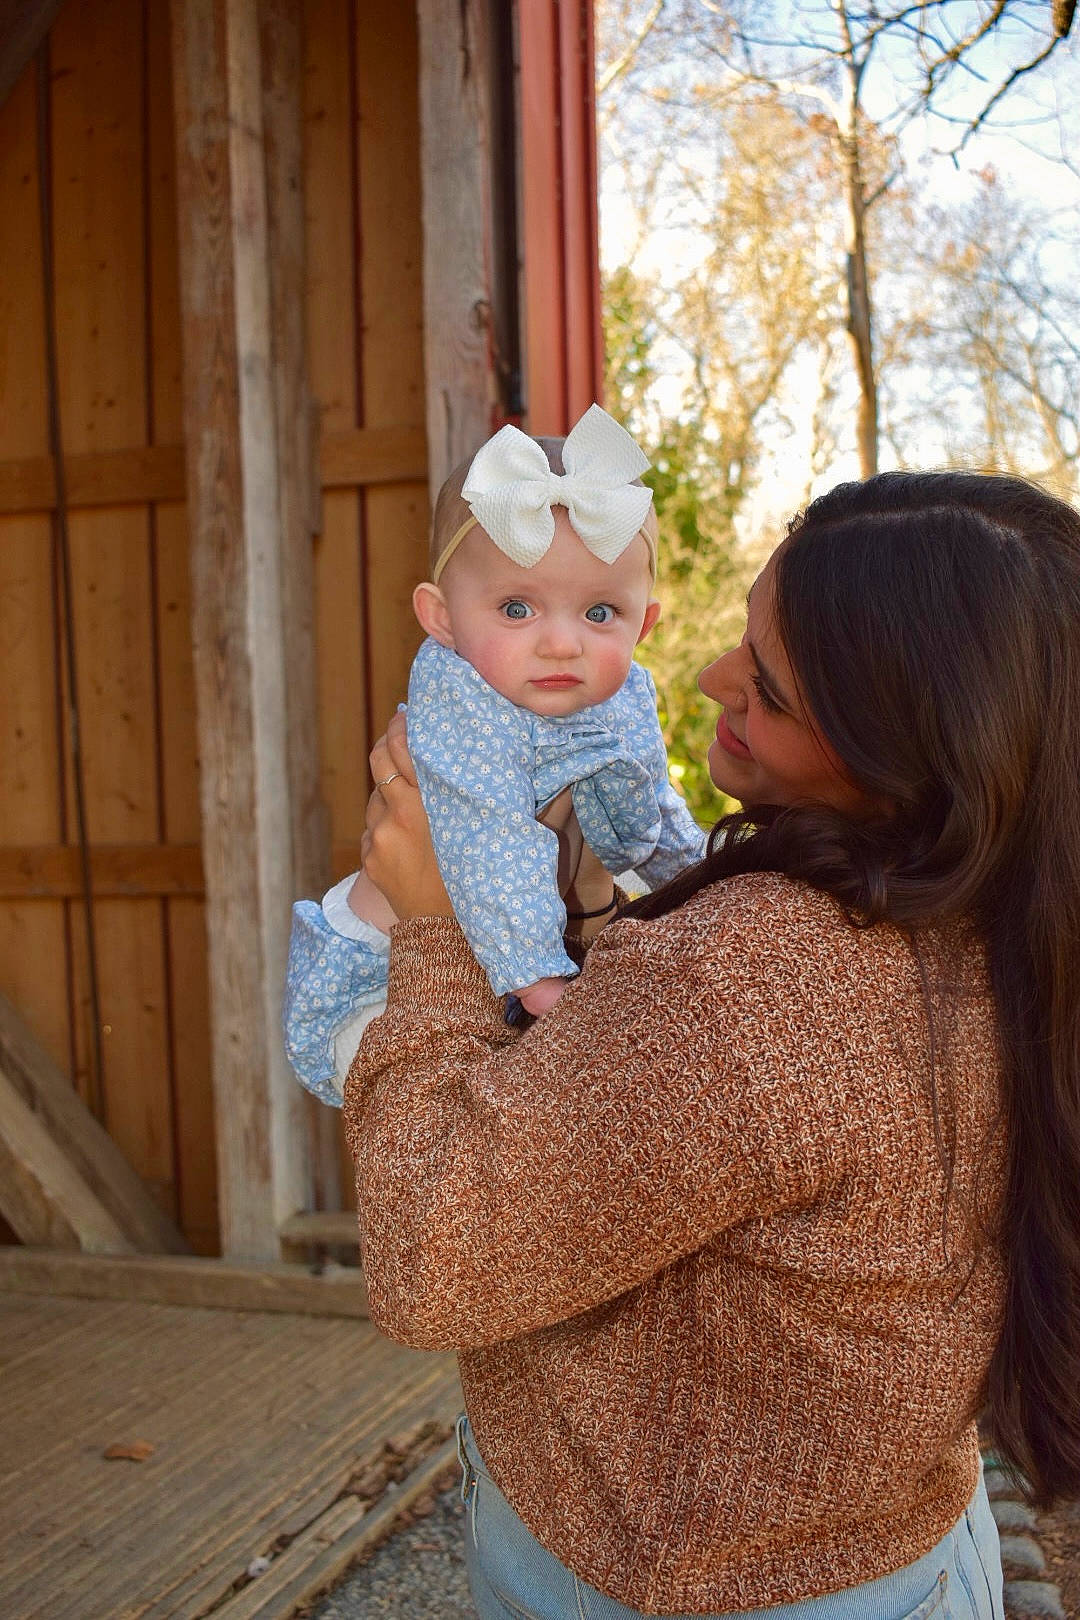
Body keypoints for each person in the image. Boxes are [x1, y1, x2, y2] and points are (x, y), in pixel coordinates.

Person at [347, 470, 1080, 1619]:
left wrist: (430, 930)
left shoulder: (748, 980)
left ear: (902, 752)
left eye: (768, 689)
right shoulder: (1018, 909)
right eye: (746, 638)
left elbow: (433, 1261)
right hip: (905, 1557)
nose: (707, 679)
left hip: (677, 1584)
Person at [283, 404, 706, 1105]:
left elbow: (653, 804)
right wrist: (541, 978)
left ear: (644, 625)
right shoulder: (462, 695)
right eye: (516, 609)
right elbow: (488, 835)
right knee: (447, 1107)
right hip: (379, 977)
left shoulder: (623, 691)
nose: (562, 643)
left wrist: (708, 879)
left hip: (512, 956)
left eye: (600, 613)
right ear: (442, 618)